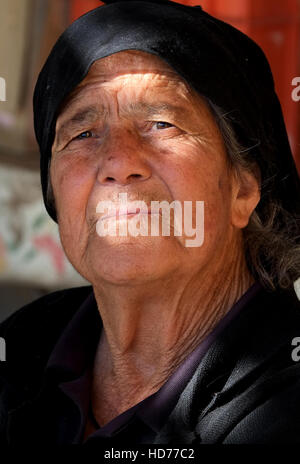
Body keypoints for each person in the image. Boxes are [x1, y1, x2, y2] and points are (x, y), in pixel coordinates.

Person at [1, 0, 300, 445]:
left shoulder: (285, 402)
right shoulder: (24, 347)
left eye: (161, 124)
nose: (118, 163)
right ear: (57, 200)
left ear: (242, 189)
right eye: (82, 134)